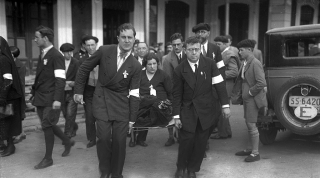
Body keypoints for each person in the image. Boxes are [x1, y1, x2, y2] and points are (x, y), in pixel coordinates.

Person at [74, 23, 141, 178]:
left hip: (122, 106)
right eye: (123, 37)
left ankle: (117, 173)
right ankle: (105, 171)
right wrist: (78, 91)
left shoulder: (135, 65)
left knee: (119, 141)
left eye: (129, 37)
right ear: (117, 38)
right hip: (102, 101)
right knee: (103, 138)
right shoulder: (105, 51)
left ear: (134, 40)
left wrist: (132, 118)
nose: (126, 40)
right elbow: (84, 68)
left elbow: (135, 93)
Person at [172, 36, 230, 178]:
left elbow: (220, 85)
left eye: (196, 49)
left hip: (206, 109)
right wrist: (176, 116)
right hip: (188, 109)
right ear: (185, 50)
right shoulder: (180, 69)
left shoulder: (210, 64)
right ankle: (181, 167)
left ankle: (192, 169)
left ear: (200, 50)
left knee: (201, 142)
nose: (194, 53)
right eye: (191, 50)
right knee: (187, 140)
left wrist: (225, 105)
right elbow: (176, 95)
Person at [32, 25, 75, 169]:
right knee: (48, 124)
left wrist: (57, 99)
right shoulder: (43, 53)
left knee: (46, 125)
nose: (35, 40)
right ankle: (67, 141)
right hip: (40, 96)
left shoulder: (56, 55)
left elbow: (60, 79)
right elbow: (40, 77)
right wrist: (33, 94)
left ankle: (48, 158)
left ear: (45, 38)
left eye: (37, 37)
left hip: (51, 97)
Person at [192, 22, 225, 153]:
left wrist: (218, 87)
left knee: (213, 117)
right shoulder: (191, 48)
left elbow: (221, 68)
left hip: (212, 90)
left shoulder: (215, 49)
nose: (200, 34)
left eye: (203, 32)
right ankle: (201, 144)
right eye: (198, 32)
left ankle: (204, 140)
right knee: (198, 117)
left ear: (208, 33)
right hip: (196, 90)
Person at [233, 39, 267, 162]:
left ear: (249, 50)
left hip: (253, 99)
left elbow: (261, 83)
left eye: (241, 50)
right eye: (239, 50)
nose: (239, 52)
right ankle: (249, 149)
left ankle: (255, 153)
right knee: (248, 123)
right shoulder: (245, 62)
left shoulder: (255, 63)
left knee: (252, 125)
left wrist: (250, 92)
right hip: (247, 99)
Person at [129, 53, 172, 147]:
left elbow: (170, 92)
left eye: (154, 63)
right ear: (145, 65)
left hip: (159, 105)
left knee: (151, 111)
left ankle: (140, 139)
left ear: (157, 64)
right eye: (149, 64)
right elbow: (134, 90)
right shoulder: (140, 75)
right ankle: (133, 138)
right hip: (143, 103)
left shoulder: (163, 75)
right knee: (140, 111)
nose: (152, 66)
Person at [0, 37, 25, 157]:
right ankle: (5, 145)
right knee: (4, 122)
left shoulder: (3, 59)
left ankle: (10, 146)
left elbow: (8, 80)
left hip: (8, 97)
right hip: (6, 96)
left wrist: (2, 97)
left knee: (7, 122)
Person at [210, 36, 240, 139]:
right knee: (221, 110)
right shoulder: (223, 54)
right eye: (216, 45)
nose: (217, 47)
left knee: (222, 110)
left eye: (219, 45)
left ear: (225, 44)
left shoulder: (229, 55)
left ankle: (222, 133)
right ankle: (226, 131)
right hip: (223, 85)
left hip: (226, 86)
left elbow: (234, 72)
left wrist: (218, 74)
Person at [162, 33, 186, 146]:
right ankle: (171, 137)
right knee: (172, 112)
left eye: (178, 44)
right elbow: (168, 78)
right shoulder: (167, 59)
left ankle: (183, 137)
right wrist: (172, 94)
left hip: (189, 90)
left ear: (183, 44)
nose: (176, 47)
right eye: (174, 45)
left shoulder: (188, 54)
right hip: (174, 90)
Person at [79, 35, 99, 148]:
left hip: (102, 91)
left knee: (104, 116)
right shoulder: (82, 60)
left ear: (96, 45)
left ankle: (105, 136)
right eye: (88, 45)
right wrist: (79, 93)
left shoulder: (103, 57)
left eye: (92, 45)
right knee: (90, 116)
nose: (91, 47)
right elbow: (80, 79)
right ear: (84, 46)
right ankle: (91, 138)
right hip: (89, 92)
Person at [59, 43, 79, 138]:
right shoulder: (58, 62)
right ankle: (74, 127)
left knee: (70, 113)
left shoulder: (76, 62)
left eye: (71, 52)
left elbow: (80, 77)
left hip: (72, 92)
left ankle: (66, 135)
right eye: (67, 52)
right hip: (61, 92)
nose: (69, 54)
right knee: (66, 114)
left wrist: (75, 83)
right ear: (62, 53)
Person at [9, 46, 27, 144]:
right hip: (10, 93)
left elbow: (20, 83)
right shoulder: (9, 63)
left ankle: (20, 133)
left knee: (18, 114)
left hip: (17, 93)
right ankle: (20, 133)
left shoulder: (20, 66)